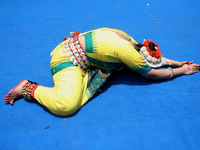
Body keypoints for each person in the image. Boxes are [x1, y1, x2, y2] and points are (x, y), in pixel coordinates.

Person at [4, 28, 200, 116]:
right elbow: (152, 73)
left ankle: (80, 81)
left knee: (113, 69)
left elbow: (151, 58)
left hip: (86, 59)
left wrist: (176, 62)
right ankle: (28, 88)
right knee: (66, 106)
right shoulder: (126, 51)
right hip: (66, 60)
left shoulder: (129, 41)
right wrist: (181, 71)